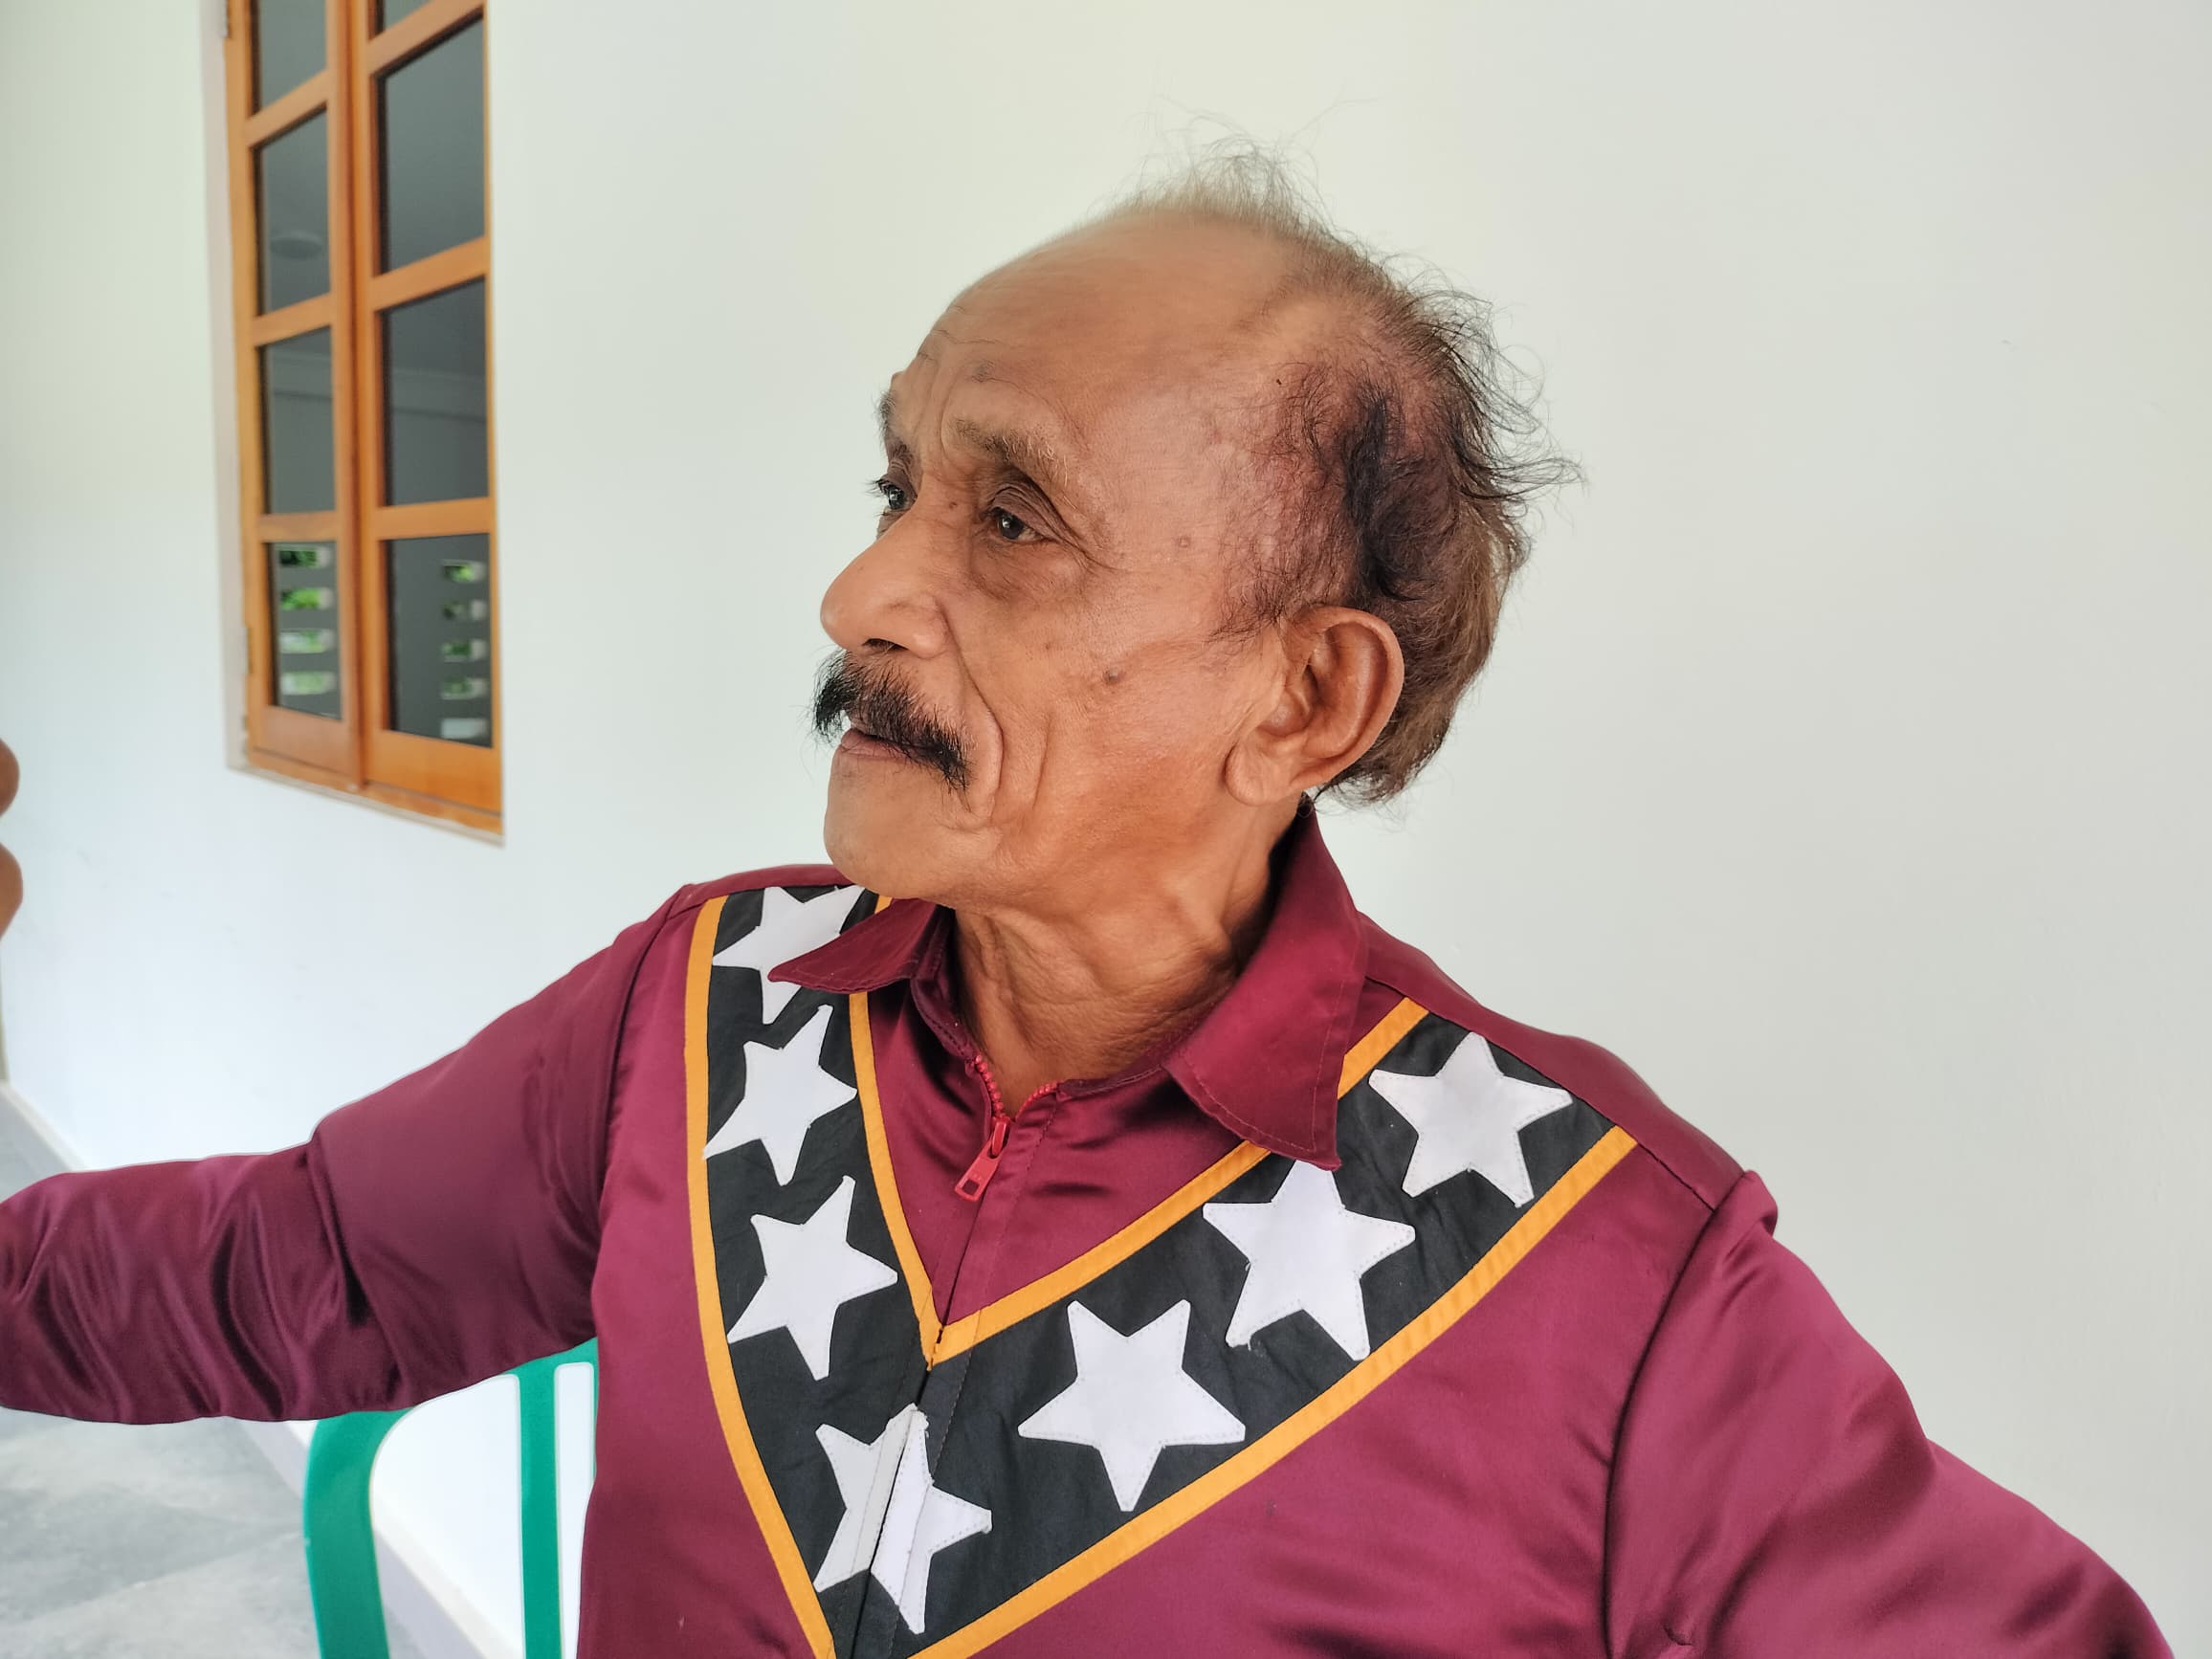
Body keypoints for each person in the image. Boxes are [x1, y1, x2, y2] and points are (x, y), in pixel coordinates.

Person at [0, 155, 2169, 1658]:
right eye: (898, 482)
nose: (860, 590)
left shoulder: (1601, 1272)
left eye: (1013, 520)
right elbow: (289, 1267)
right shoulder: (711, 1004)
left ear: (1304, 699)